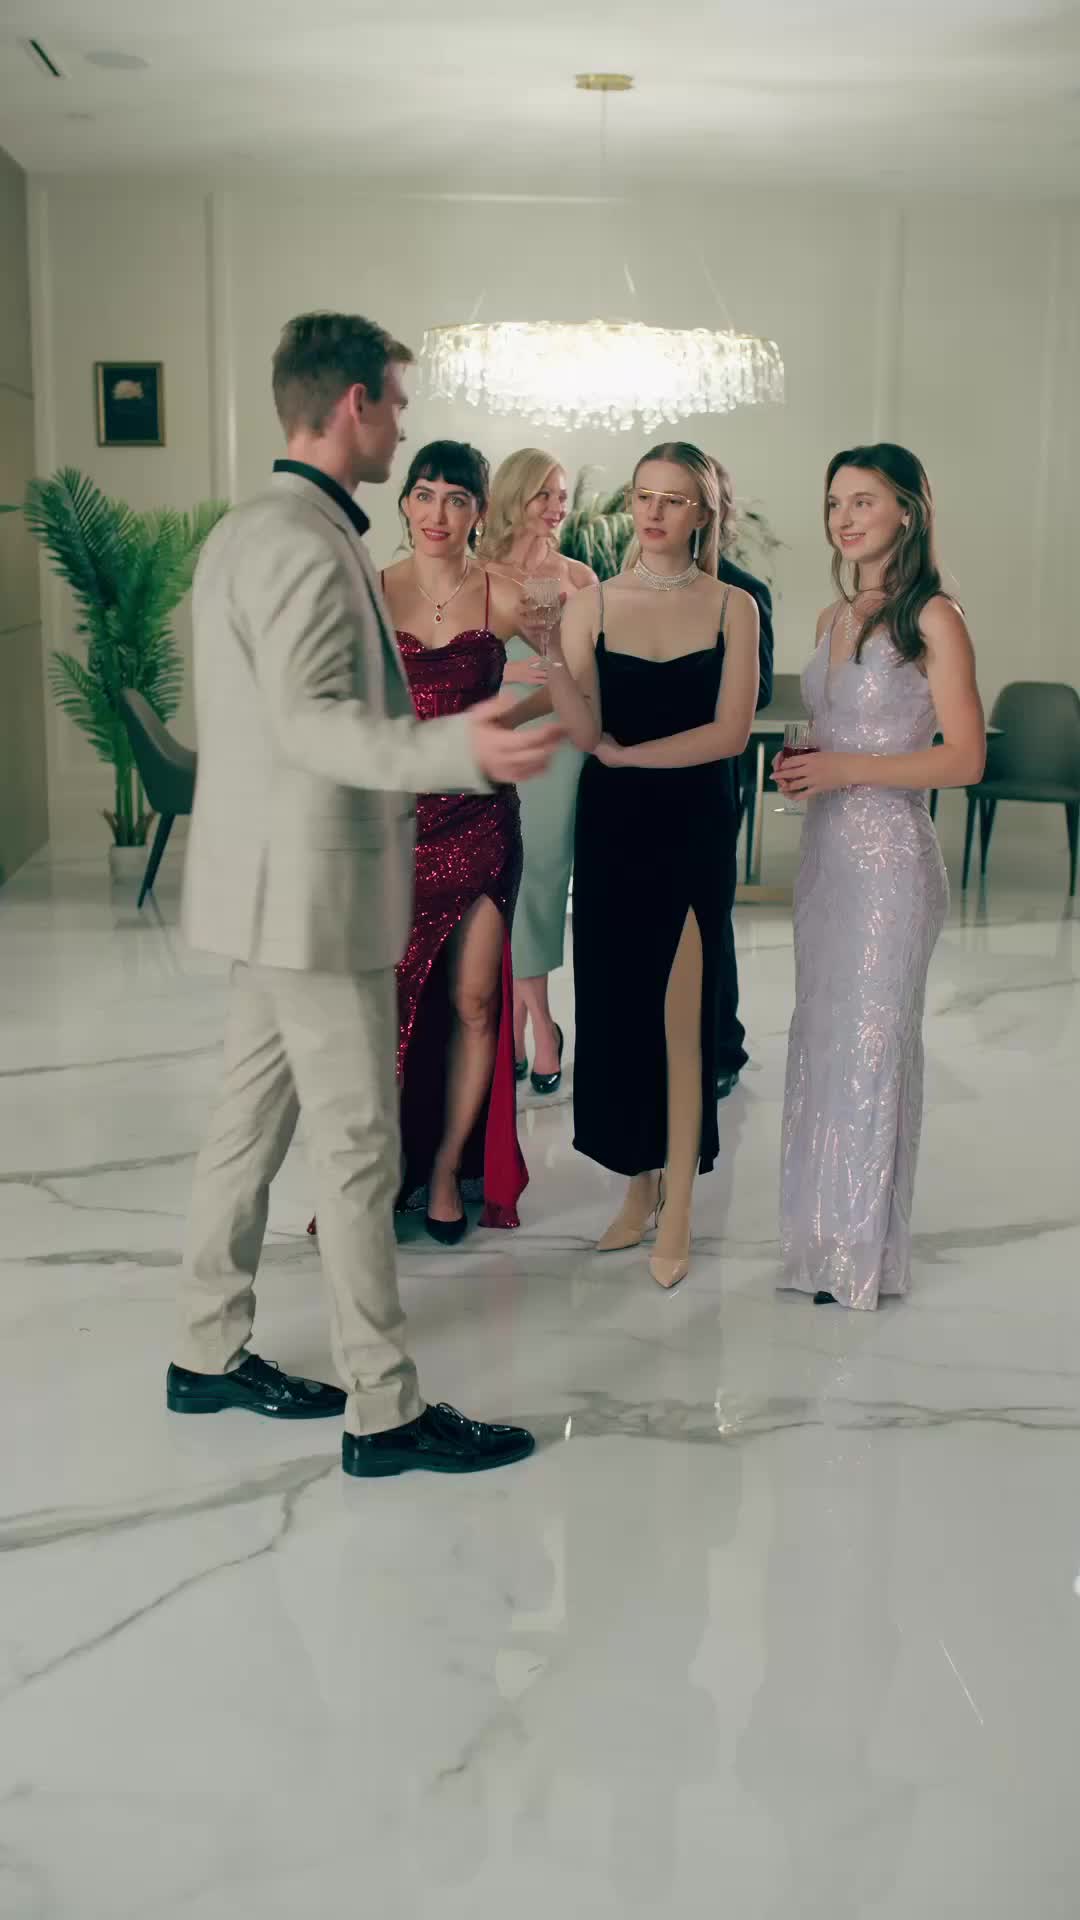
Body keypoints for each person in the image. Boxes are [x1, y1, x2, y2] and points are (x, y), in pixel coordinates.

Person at [168, 313, 561, 1478]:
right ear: (354, 404)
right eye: (395, 401)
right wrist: (456, 749)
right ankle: (384, 1411)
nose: (400, 424)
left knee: (246, 1126)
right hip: (313, 892)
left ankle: (204, 1348)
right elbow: (308, 725)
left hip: (269, 889)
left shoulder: (257, 527)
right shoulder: (301, 542)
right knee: (355, 1145)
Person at [542, 442, 759, 1289]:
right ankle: (638, 1186)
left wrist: (632, 758)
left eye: (674, 499)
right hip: (613, 829)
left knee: (681, 1017)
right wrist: (551, 654)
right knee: (621, 1011)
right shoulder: (591, 603)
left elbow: (731, 734)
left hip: (692, 823)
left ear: (703, 513)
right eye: (643, 496)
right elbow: (583, 726)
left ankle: (680, 1209)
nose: (655, 513)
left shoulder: (733, 607)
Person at [775, 442, 984, 1309]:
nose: (845, 518)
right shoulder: (832, 617)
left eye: (864, 500)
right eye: (835, 503)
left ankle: (863, 1256)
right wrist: (806, 765)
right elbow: (833, 738)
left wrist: (847, 768)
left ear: (907, 510)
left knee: (874, 1046)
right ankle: (816, 1247)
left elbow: (965, 758)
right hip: (826, 856)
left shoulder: (932, 617)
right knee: (822, 1040)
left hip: (892, 862)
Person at [382, 441, 532, 1238]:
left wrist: (503, 725)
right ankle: (381, 1168)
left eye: (457, 498)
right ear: (405, 502)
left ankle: (446, 1168)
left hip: (479, 823)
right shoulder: (371, 592)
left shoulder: (503, 596)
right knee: (384, 1010)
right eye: (424, 494)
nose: (437, 513)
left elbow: (574, 682)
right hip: (393, 829)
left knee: (474, 1001)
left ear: (479, 512)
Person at [479, 450, 597, 1093]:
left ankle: (530, 1025)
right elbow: (452, 661)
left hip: (557, 742)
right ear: (515, 496)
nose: (557, 507)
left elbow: (593, 665)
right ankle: (532, 1024)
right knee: (504, 885)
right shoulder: (478, 572)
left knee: (543, 881)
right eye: (544, 495)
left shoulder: (578, 575)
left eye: (562, 495)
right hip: (496, 739)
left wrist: (556, 655)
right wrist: (506, 667)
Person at [711, 458, 775, 1099]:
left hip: (711, 775)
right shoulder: (628, 586)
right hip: (633, 779)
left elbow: (758, 692)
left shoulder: (745, 591)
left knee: (710, 915)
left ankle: (721, 1046)